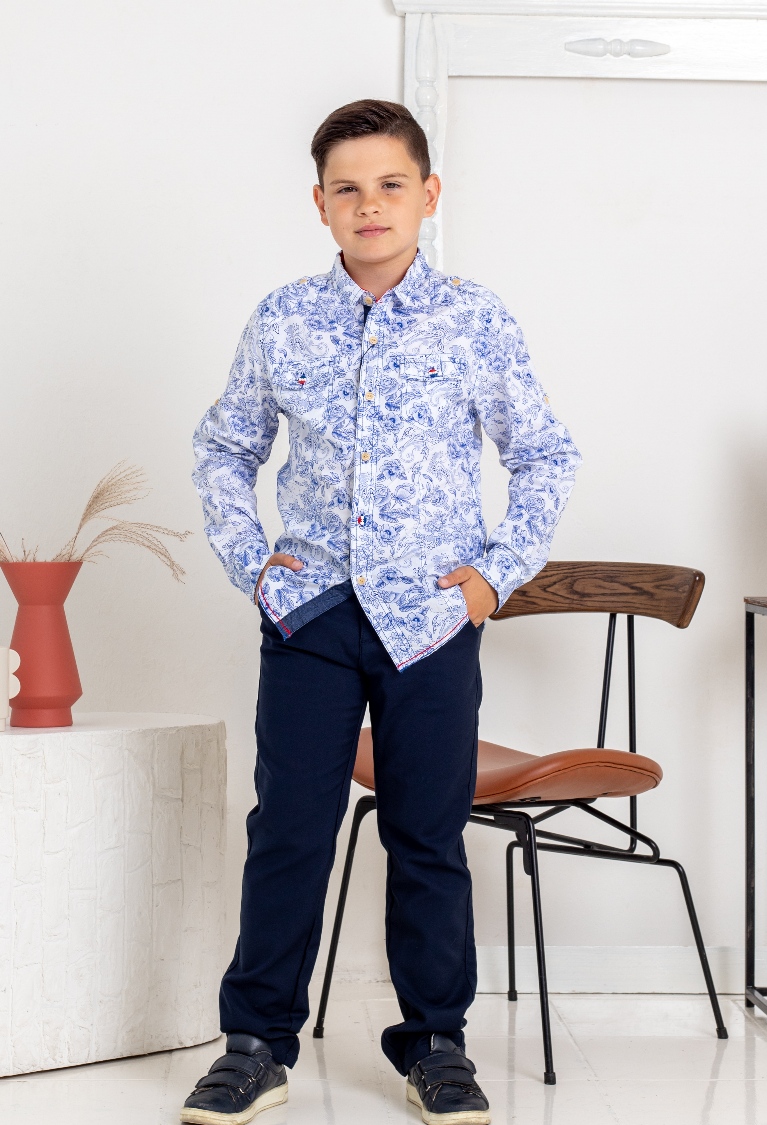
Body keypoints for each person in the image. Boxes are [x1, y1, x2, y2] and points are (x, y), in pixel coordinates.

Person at [184, 98, 581, 1125]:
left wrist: (494, 576)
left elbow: (543, 453)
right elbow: (224, 446)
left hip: (430, 623)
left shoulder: (475, 320)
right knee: (288, 830)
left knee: (427, 834)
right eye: (348, 189)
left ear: (427, 195)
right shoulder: (282, 318)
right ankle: (254, 1045)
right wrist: (255, 567)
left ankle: (435, 1045)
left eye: (390, 185)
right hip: (310, 616)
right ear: (319, 204)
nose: (370, 205)